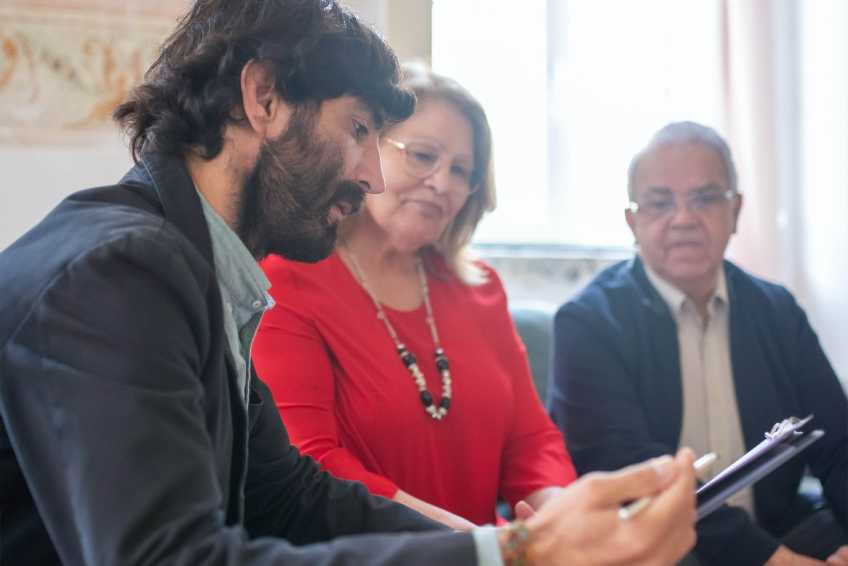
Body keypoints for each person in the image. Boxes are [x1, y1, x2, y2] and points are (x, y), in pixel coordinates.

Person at [0, 1, 698, 564]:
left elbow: (296, 497)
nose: (371, 175)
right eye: (359, 128)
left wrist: (514, 546)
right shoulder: (120, 272)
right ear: (264, 96)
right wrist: (516, 552)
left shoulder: (193, 266)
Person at [253, 66, 575, 529]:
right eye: (423, 156)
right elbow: (313, 463)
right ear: (364, 151)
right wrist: (478, 546)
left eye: (462, 171)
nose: (443, 184)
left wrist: (560, 513)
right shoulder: (286, 279)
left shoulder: (480, 288)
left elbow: (531, 441)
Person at [549, 121, 848, 566]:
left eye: (705, 198)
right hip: (659, 546)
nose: (684, 218)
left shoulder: (778, 311)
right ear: (633, 221)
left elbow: (837, 444)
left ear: (736, 211)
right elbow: (636, 478)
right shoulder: (589, 322)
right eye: (659, 203)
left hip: (781, 532)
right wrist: (775, 562)